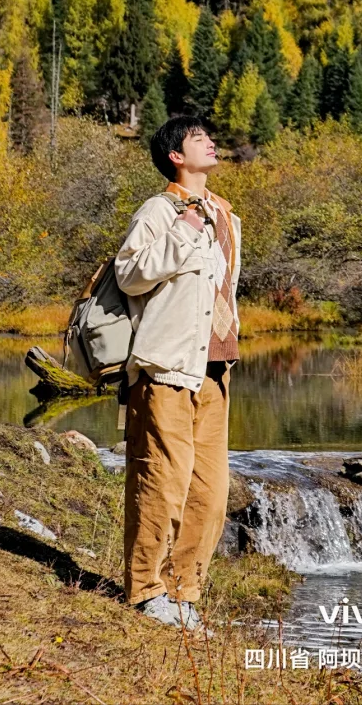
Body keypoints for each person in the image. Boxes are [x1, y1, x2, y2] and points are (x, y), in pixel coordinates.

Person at [113, 115, 241, 628]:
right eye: (198, 139)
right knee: (160, 483)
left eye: (211, 135)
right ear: (175, 156)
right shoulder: (159, 210)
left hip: (215, 370)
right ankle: (146, 592)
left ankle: (184, 595)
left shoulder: (227, 214)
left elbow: (221, 290)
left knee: (210, 494)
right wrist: (183, 230)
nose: (212, 142)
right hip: (166, 366)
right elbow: (129, 274)